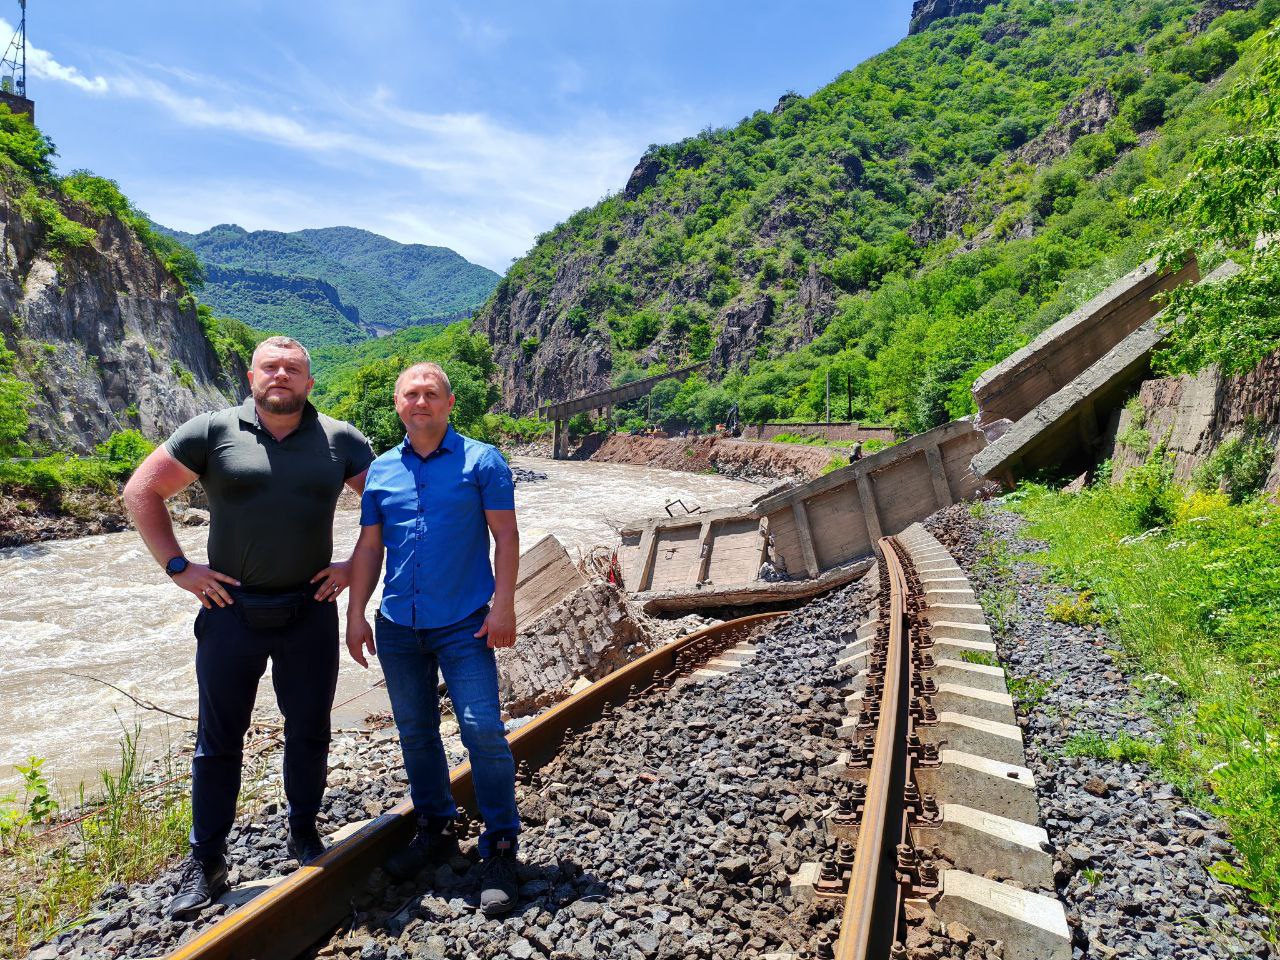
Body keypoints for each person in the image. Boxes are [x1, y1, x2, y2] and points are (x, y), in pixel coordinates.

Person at [123, 336, 374, 920]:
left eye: (293, 369)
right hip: (229, 611)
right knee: (218, 742)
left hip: (309, 610)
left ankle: (305, 833)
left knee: (310, 730)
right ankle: (207, 861)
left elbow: (384, 505)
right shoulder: (211, 432)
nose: (281, 375)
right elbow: (142, 488)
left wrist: (351, 565)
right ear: (251, 376)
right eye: (271, 367)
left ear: (310, 381)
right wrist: (179, 567)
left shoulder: (340, 440)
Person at [345, 361, 522, 916]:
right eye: (410, 394)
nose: (420, 402)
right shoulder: (380, 472)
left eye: (430, 394)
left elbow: (506, 536)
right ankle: (437, 825)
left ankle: (499, 842)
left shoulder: (482, 461)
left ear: (449, 404)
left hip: (465, 621)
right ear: (397, 405)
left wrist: (504, 606)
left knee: (483, 729)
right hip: (398, 624)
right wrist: (355, 614)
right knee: (416, 733)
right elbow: (370, 548)